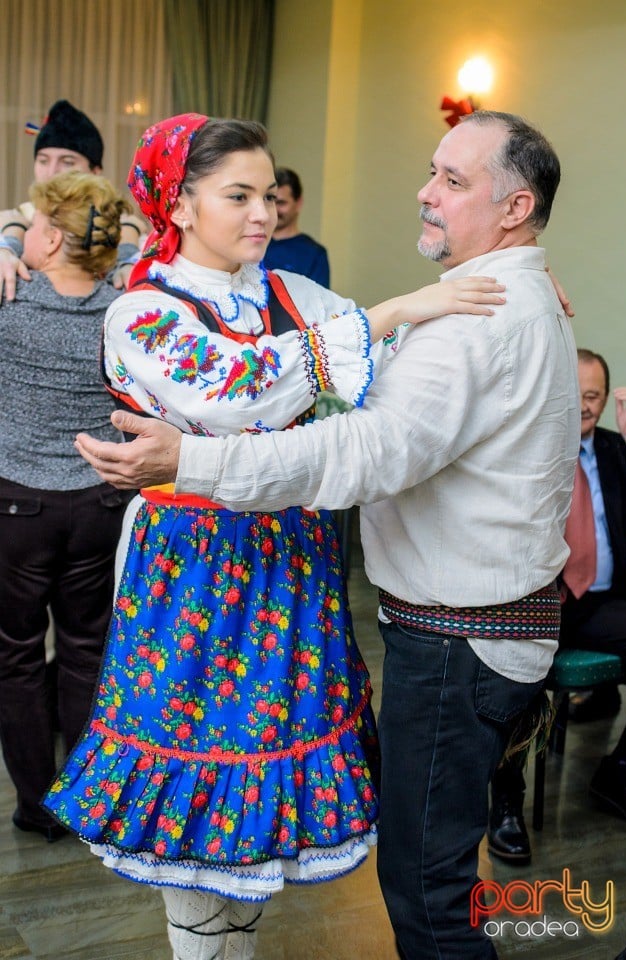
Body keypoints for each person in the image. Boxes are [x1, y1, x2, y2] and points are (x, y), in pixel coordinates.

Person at [71, 110, 580, 959]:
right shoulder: (144, 312)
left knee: (264, 806)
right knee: (200, 816)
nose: (265, 212)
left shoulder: (288, 293)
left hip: (286, 579)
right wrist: (408, 307)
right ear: (181, 205)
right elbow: (237, 388)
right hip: (200, 578)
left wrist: (513, 284)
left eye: (269, 193)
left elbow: (384, 365)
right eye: (239, 194)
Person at [0, 171, 132, 842]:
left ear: (50, 237)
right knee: (86, 650)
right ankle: (84, 803)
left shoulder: (10, 302)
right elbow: (133, 253)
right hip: (100, 501)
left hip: (18, 507)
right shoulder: (127, 310)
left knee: (18, 654)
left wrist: (5, 241)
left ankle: (33, 803)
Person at [488, 351, 626, 864]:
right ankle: (505, 803)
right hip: (538, 600)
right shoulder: (529, 447)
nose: (586, 406)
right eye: (578, 394)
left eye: (595, 395)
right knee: (512, 684)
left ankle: (620, 771)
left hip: (602, 603)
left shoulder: (617, 451)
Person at [0, 99, 145, 299]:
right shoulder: (14, 219)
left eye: (67, 162)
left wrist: (127, 260)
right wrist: (5, 248)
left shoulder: (114, 228)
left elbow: (126, 225)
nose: (52, 172)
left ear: (95, 172)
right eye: (43, 160)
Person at [262, 167, 330, 286]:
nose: (275, 209)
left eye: (281, 203)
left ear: (298, 203)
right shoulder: (254, 242)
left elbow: (319, 302)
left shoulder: (314, 254)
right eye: (270, 201)